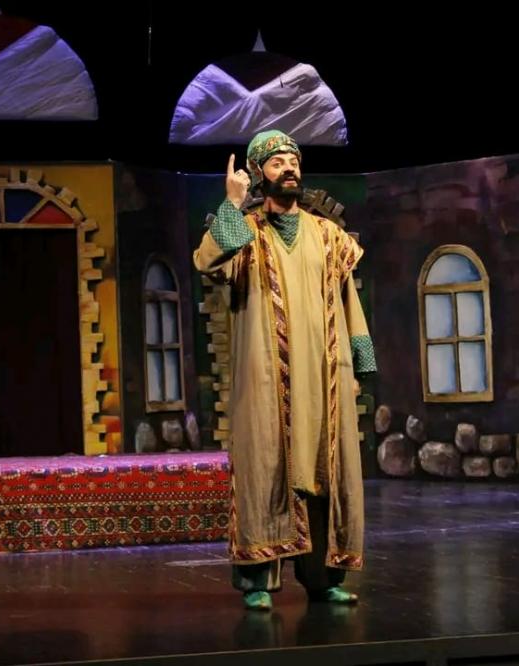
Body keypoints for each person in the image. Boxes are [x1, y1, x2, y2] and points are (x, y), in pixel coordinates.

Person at [193, 130, 377, 610]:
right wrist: (232, 203)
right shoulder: (246, 232)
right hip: (266, 376)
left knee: (325, 469)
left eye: (293, 160)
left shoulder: (328, 235)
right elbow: (207, 261)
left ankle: (324, 578)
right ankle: (257, 579)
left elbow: (349, 300)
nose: (289, 168)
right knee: (266, 466)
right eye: (276, 163)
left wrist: (360, 360)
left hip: (324, 374)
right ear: (258, 174)